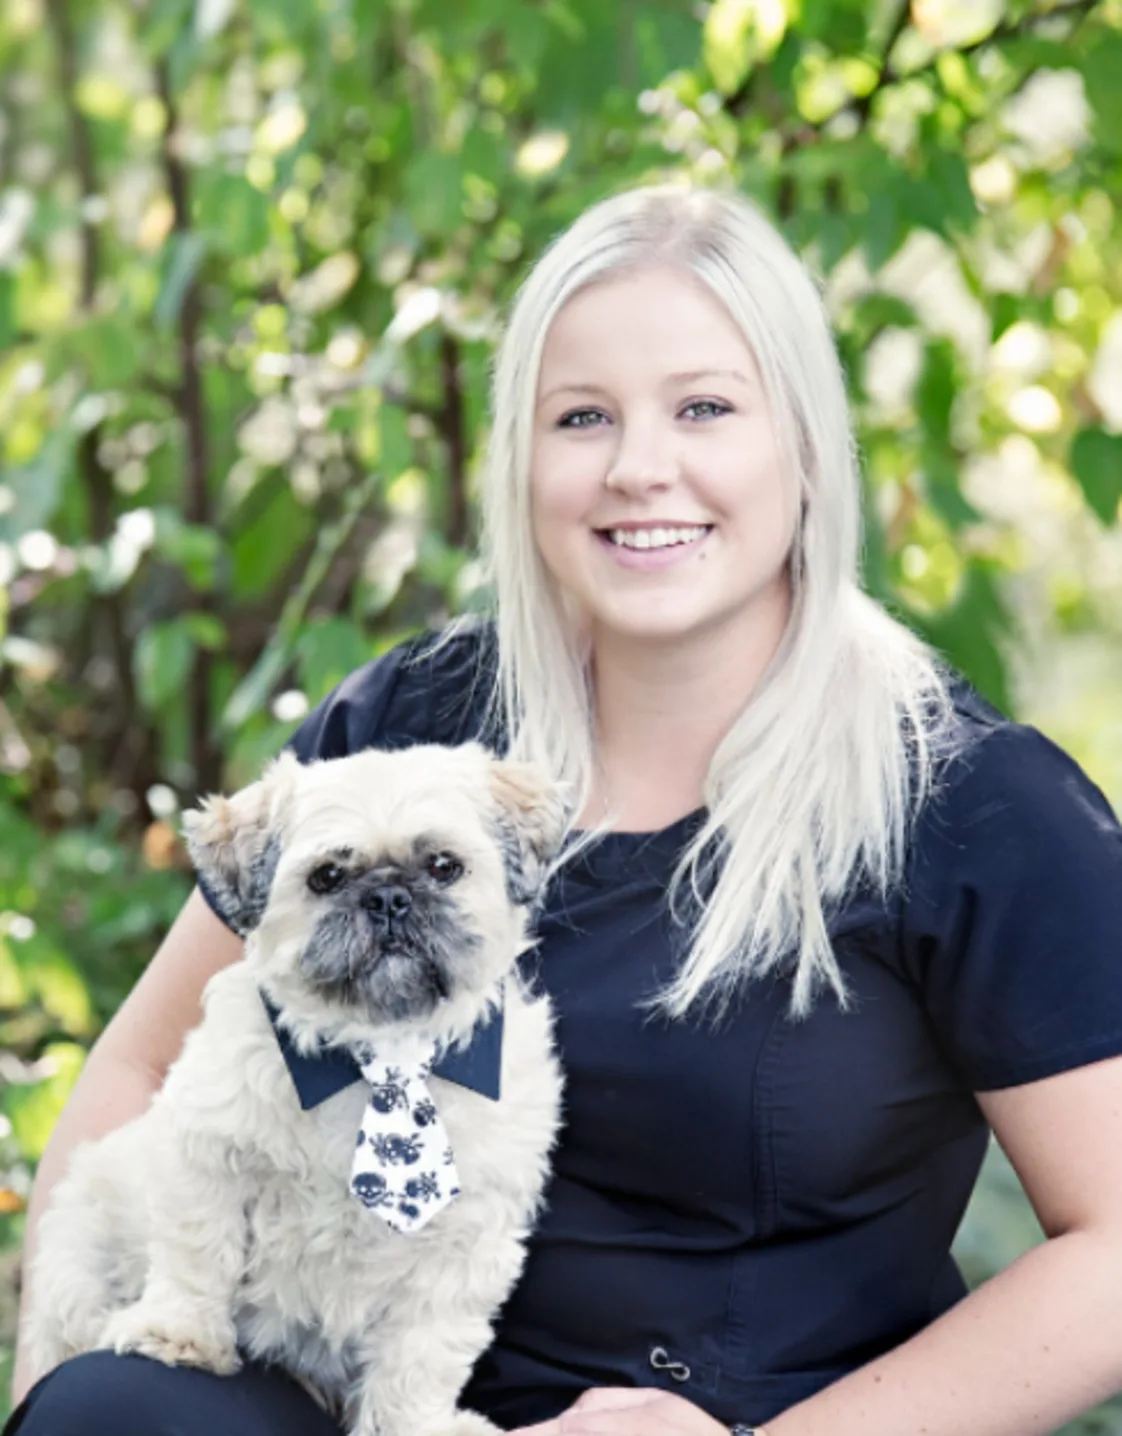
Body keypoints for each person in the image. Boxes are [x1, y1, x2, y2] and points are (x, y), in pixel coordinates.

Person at [10, 183, 1122, 1436]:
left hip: (762, 1423)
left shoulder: (966, 801)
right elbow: (142, 1066)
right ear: (521, 460)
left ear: (806, 446)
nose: (641, 468)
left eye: (705, 407)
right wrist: (50, 1357)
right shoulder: (416, 723)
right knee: (112, 1411)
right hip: (349, 1405)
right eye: (581, 416)